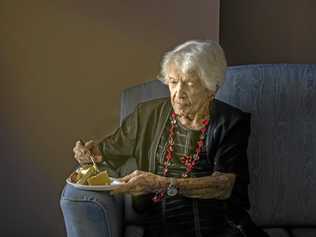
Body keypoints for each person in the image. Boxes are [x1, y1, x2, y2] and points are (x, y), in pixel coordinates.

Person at [72, 40, 269, 237]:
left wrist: (162, 183)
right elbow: (104, 153)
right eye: (173, 82)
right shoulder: (146, 115)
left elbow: (223, 186)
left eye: (190, 84)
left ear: (211, 89)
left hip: (221, 225)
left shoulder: (230, 122)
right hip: (165, 224)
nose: (178, 94)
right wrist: (87, 154)